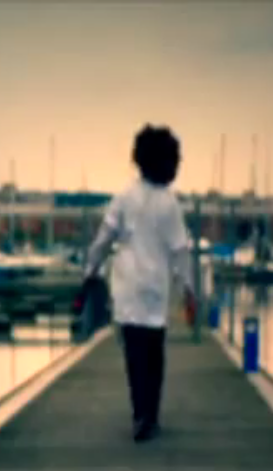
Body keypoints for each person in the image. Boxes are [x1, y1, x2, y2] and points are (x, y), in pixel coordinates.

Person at [81, 124, 196, 442]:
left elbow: (103, 239)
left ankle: (139, 414)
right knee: (154, 353)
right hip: (155, 287)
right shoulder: (169, 204)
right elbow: (180, 251)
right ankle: (151, 415)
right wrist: (188, 288)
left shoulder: (124, 197)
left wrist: (90, 269)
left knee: (133, 354)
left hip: (127, 286)